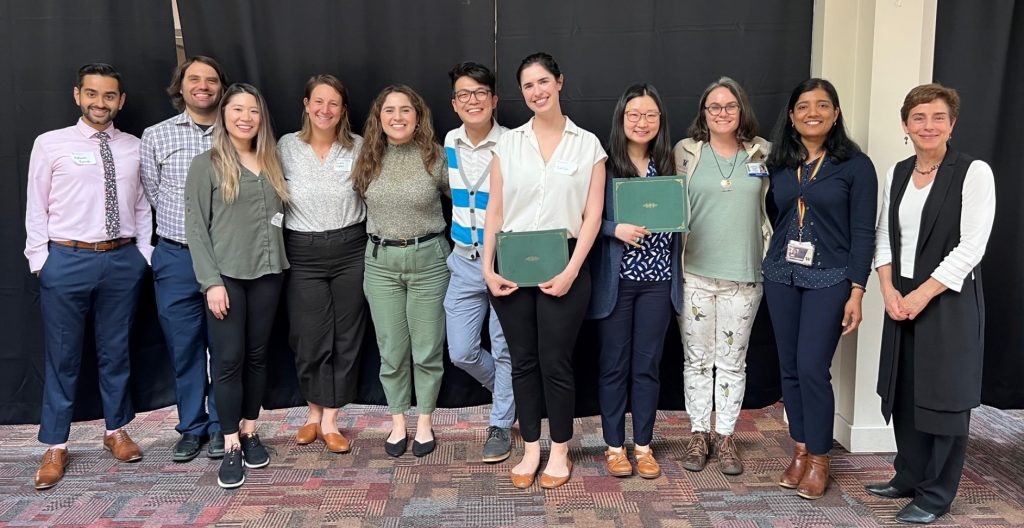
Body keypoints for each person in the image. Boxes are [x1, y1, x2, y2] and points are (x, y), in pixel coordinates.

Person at [867, 84, 995, 525]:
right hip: (900, 294)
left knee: (944, 396)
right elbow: (883, 235)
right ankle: (909, 475)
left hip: (948, 297)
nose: (928, 126)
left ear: (952, 124)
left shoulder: (973, 172)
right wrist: (887, 290)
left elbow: (971, 246)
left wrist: (922, 294)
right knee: (905, 390)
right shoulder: (897, 172)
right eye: (918, 117)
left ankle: (936, 494)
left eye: (938, 117)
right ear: (905, 125)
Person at [25, 63, 152, 490]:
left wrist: (143, 257)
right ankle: (56, 444)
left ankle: (115, 430)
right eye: (93, 94)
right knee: (62, 357)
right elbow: (36, 206)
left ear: (121, 101)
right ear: (78, 95)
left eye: (110, 95)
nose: (101, 103)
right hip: (67, 260)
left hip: (121, 261)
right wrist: (41, 261)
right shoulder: (50, 144)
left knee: (115, 351)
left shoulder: (135, 146)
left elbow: (141, 206)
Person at [483, 52, 606, 489]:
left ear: (559, 81)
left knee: (556, 362)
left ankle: (559, 449)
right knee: (522, 361)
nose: (537, 92)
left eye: (543, 82)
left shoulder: (588, 144)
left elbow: (592, 217)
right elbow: (494, 210)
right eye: (528, 86)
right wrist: (486, 267)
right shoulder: (508, 144)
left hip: (565, 260)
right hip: (511, 261)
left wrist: (573, 269)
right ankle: (530, 446)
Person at [762, 78, 877, 500]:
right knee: (789, 368)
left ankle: (821, 460)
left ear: (836, 113)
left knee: (812, 368)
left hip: (831, 278)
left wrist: (858, 290)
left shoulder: (855, 166)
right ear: (791, 116)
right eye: (804, 106)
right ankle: (801, 447)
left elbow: (864, 232)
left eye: (823, 105)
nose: (813, 112)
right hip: (781, 275)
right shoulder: (780, 163)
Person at [185, 83, 289, 489]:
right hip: (226, 277)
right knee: (228, 360)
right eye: (237, 110)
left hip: (268, 273)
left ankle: (249, 429)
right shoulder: (206, 164)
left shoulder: (272, 161)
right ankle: (229, 443)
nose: (245, 118)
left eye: (253, 111)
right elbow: (196, 228)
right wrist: (211, 282)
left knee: (259, 356)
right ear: (224, 115)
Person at [673, 77, 770, 476]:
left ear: (741, 109)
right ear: (704, 113)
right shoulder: (685, 152)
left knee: (732, 362)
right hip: (694, 272)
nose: (722, 113)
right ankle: (699, 434)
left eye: (729, 106)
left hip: (745, 274)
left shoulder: (762, 150)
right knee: (696, 360)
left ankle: (725, 436)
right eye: (714, 107)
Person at [352, 85, 450, 458]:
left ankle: (424, 420)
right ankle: (398, 422)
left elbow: (464, 200)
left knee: (426, 350)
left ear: (418, 115)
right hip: (380, 263)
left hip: (429, 259)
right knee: (391, 350)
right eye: (389, 110)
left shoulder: (434, 156)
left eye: (405, 110)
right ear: (379, 118)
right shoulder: (366, 156)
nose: (398, 117)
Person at [587, 83, 678, 480]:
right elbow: (581, 218)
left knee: (647, 366)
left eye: (650, 115)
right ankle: (613, 446)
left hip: (659, 283)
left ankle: (643, 446)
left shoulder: (671, 166)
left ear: (660, 121)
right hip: (618, 284)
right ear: (621, 119)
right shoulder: (603, 167)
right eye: (634, 115)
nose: (642, 123)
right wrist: (614, 228)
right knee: (613, 367)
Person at [141, 55, 228, 462]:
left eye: (211, 80)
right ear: (181, 86)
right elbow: (151, 195)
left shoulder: (237, 132)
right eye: (195, 79)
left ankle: (220, 425)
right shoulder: (156, 136)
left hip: (226, 259)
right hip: (175, 257)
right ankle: (192, 427)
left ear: (221, 88)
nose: (203, 86)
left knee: (224, 347)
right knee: (185, 347)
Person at [278, 74, 366, 454]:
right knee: (308, 335)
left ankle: (331, 418)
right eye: (318, 102)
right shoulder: (286, 146)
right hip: (303, 249)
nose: (324, 110)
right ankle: (312, 412)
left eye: (333, 103)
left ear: (343, 109)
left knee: (346, 334)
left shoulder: (360, 147)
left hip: (350, 246)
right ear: (306, 105)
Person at [442, 62, 515, 463]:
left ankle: (500, 424)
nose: (473, 101)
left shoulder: (513, 143)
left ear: (494, 100)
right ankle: (509, 391)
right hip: (463, 261)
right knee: (461, 350)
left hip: (502, 261)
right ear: (455, 104)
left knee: (504, 350)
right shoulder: (450, 142)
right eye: (464, 94)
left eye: (480, 93)